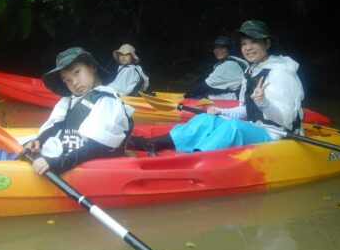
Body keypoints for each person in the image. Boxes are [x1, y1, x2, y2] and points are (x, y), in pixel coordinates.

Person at [129, 20, 304, 153]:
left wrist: (264, 102)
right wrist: (222, 112)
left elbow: (287, 120)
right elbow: (245, 109)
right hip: (257, 127)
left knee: (232, 127)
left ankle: (196, 159)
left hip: (276, 134)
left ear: (266, 43)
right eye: (244, 43)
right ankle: (154, 142)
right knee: (207, 119)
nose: (248, 48)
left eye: (254, 42)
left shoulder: (281, 72)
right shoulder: (251, 71)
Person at [24, 47, 134, 174]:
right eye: (67, 80)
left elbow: (97, 146)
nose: (74, 82)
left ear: (92, 67)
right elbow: (56, 126)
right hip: (62, 155)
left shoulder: (108, 101)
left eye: (76, 72)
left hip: (82, 164)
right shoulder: (68, 100)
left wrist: (59, 163)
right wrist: (39, 141)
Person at [184, 35, 248, 100]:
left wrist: (187, 95)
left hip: (238, 99)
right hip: (241, 94)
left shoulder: (228, 65)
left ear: (229, 49)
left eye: (222, 47)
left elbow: (204, 86)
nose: (218, 50)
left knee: (202, 96)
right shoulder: (237, 60)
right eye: (216, 48)